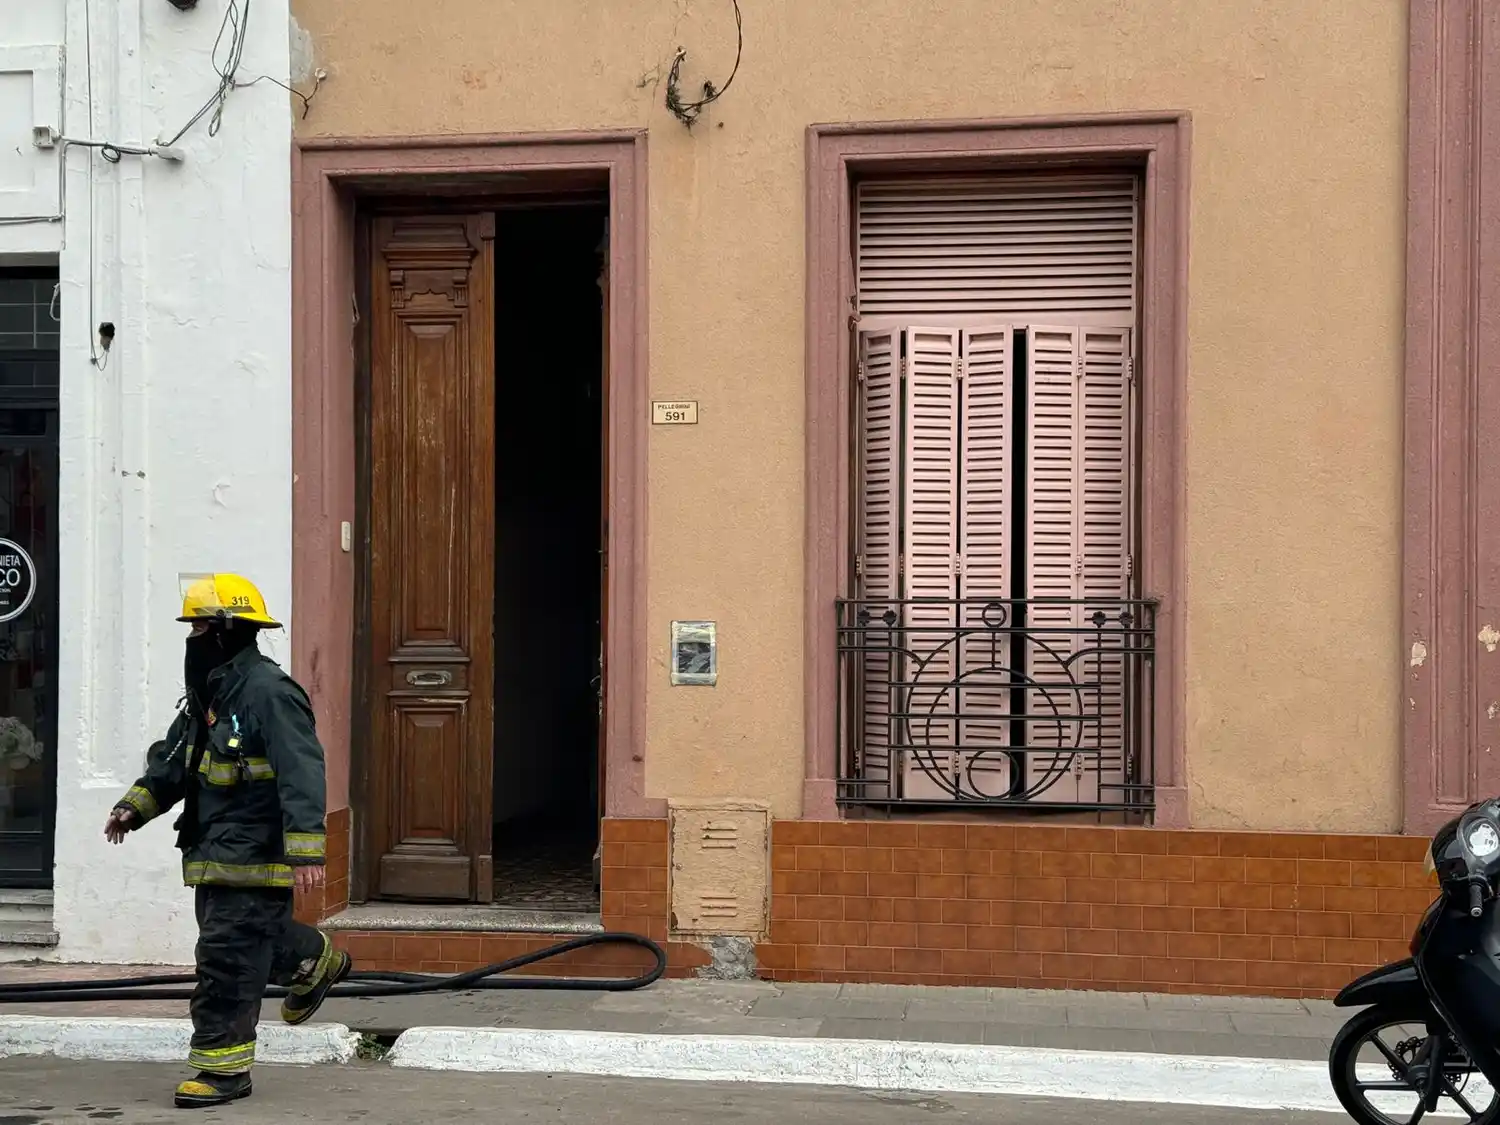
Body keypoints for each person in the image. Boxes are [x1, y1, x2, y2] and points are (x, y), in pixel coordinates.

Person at [103, 573, 353, 1109]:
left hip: (254, 856)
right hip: (212, 853)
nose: (191, 638)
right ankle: (314, 957)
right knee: (250, 942)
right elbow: (175, 760)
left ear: (225, 630)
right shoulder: (209, 692)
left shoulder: (270, 691)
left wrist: (306, 848)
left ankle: (223, 1070)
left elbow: (302, 770)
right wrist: (135, 805)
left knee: (226, 961)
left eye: (198, 627)